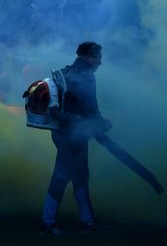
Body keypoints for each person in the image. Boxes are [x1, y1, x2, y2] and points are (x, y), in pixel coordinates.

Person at [41, 41, 110, 235]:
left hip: (62, 133)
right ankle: (48, 224)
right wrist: (103, 123)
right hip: (74, 135)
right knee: (62, 177)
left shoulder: (65, 71)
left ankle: (87, 222)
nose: (100, 62)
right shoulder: (86, 77)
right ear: (89, 57)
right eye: (98, 58)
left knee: (78, 175)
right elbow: (91, 108)